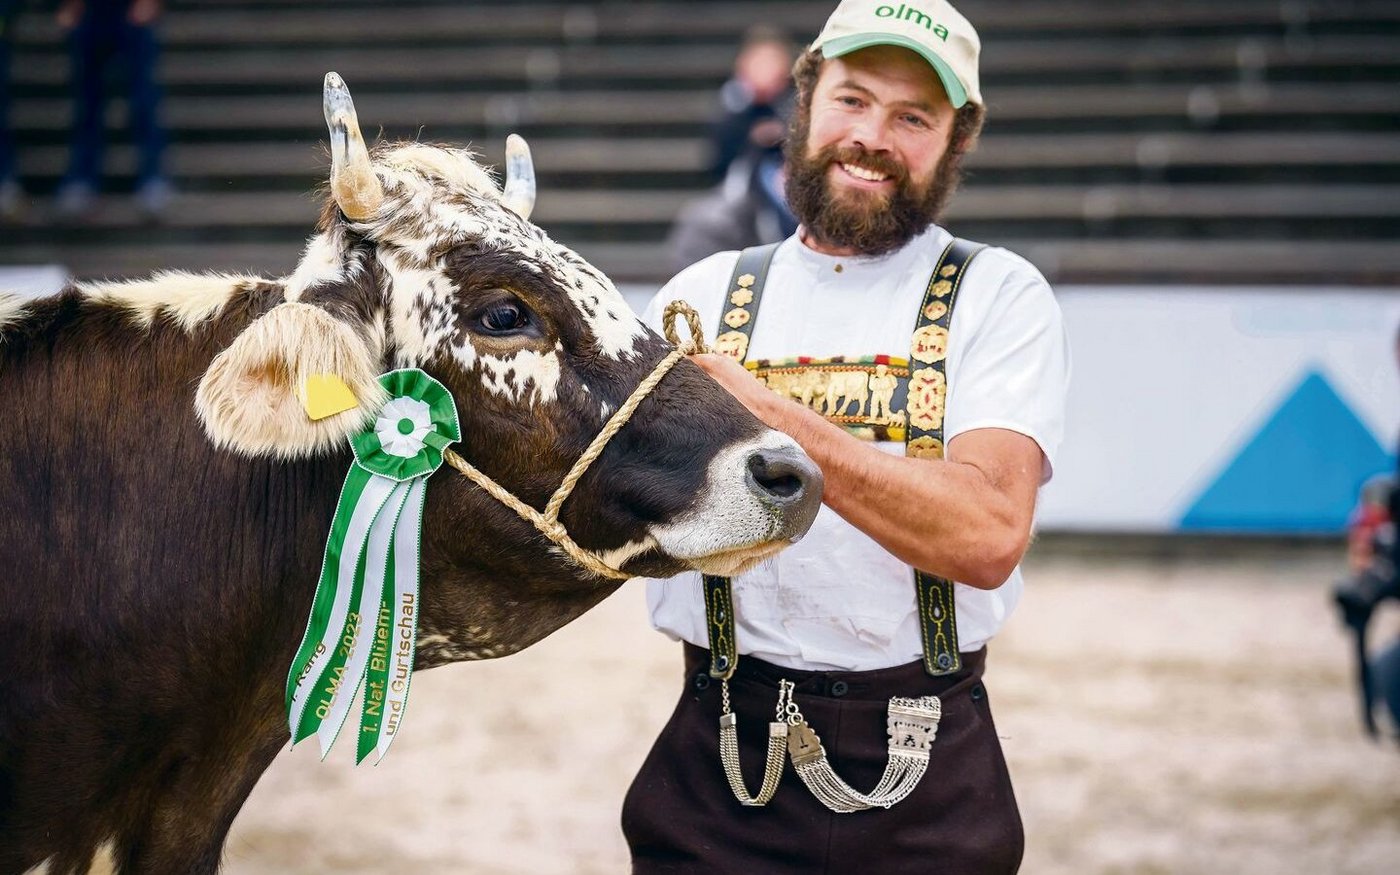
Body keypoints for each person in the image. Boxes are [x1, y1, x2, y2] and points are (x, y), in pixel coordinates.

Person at [624, 1, 1070, 872]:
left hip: (931, 767)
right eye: (853, 99)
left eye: (913, 118)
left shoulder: (1000, 296)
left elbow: (984, 537)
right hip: (716, 758)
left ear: (957, 139)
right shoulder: (697, 294)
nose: (872, 137)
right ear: (805, 99)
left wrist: (775, 418)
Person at [54, 0, 171, 218]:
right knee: (88, 102)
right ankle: (82, 179)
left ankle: (153, 178)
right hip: (92, 12)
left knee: (143, 101)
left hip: (130, 11)